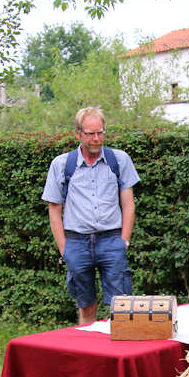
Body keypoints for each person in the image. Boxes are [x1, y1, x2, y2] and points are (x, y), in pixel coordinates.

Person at [42, 106, 140, 325]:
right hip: (77, 243)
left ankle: (118, 345)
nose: (96, 139)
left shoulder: (120, 160)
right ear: (78, 134)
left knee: (121, 306)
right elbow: (54, 210)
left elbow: (129, 205)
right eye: (90, 134)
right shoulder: (61, 164)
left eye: (100, 132)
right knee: (86, 305)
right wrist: (65, 249)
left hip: (112, 241)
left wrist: (124, 241)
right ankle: (89, 344)